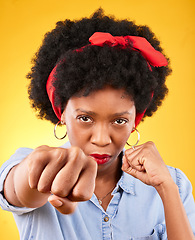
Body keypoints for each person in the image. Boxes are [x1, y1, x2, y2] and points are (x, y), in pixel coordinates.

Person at [0, 8, 194, 240]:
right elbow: (19, 190)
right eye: (85, 118)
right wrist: (40, 173)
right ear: (61, 113)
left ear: (135, 120)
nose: (102, 139)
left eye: (119, 120)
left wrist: (166, 188)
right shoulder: (29, 164)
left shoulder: (175, 183)